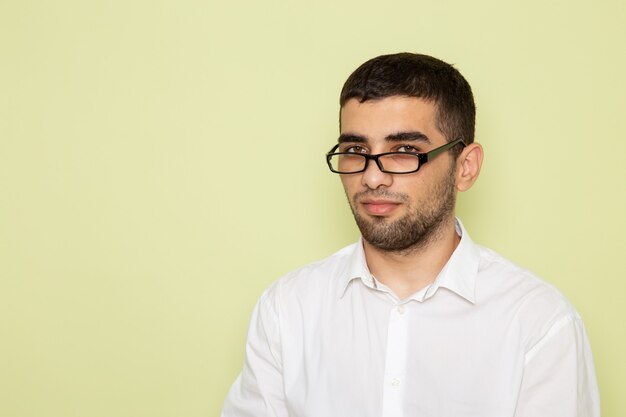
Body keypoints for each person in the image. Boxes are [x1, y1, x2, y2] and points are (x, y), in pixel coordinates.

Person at [221, 53, 600, 417]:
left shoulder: (538, 322)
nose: (372, 177)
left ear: (465, 167)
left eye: (404, 149)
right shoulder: (288, 310)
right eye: (356, 149)